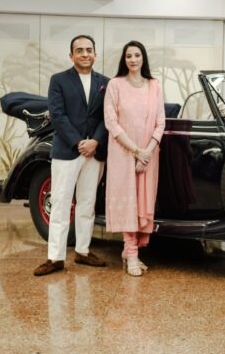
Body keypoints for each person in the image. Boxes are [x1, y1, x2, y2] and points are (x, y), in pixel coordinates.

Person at [34, 35, 110, 276]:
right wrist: (79, 143)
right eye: (80, 50)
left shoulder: (105, 83)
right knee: (60, 203)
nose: (85, 54)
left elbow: (107, 117)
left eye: (89, 50)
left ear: (95, 54)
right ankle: (55, 258)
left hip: (95, 152)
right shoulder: (58, 80)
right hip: (67, 151)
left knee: (87, 203)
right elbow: (58, 115)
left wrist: (95, 141)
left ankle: (83, 251)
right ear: (71, 55)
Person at [104, 40, 165, 277]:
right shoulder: (115, 85)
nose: (133, 60)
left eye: (137, 55)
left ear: (143, 58)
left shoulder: (154, 85)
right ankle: (131, 255)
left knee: (142, 203)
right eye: (128, 56)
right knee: (128, 203)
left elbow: (160, 122)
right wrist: (136, 151)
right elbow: (111, 122)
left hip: (149, 154)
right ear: (124, 59)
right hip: (123, 153)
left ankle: (132, 251)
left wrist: (147, 152)